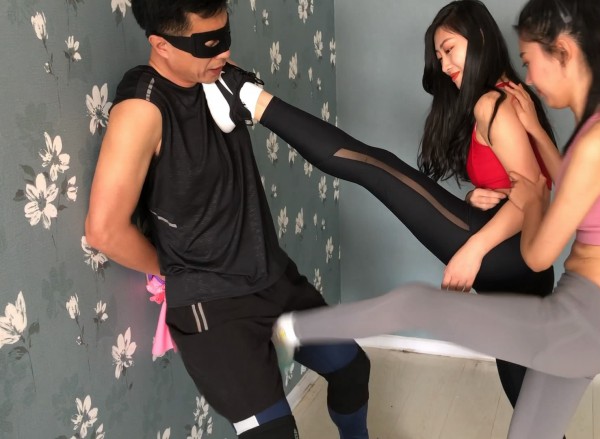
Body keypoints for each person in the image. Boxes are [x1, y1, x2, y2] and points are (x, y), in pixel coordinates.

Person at [267, 0, 600, 437]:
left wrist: (529, 194)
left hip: (578, 324)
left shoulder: (598, 141)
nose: (529, 79)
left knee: (417, 303)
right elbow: (575, 189)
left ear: (563, 50)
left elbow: (539, 255)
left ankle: (293, 329)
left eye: (530, 61)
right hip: (598, 326)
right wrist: (533, 153)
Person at [203, 0, 556, 408]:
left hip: (505, 255)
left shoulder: (492, 103)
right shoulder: (510, 97)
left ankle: (246, 97)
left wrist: (472, 251)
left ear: (478, 37)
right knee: (526, 393)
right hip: (525, 270)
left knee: (377, 168)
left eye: (449, 49)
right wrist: (482, 197)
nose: (444, 65)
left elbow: (533, 196)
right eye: (439, 55)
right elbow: (531, 185)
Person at [83, 1, 371, 438]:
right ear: (161, 44)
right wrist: (178, 270)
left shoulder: (217, 78)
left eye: (225, 37)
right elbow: (103, 230)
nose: (223, 52)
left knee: (351, 369)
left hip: (272, 277)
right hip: (215, 307)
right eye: (207, 44)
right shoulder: (142, 109)